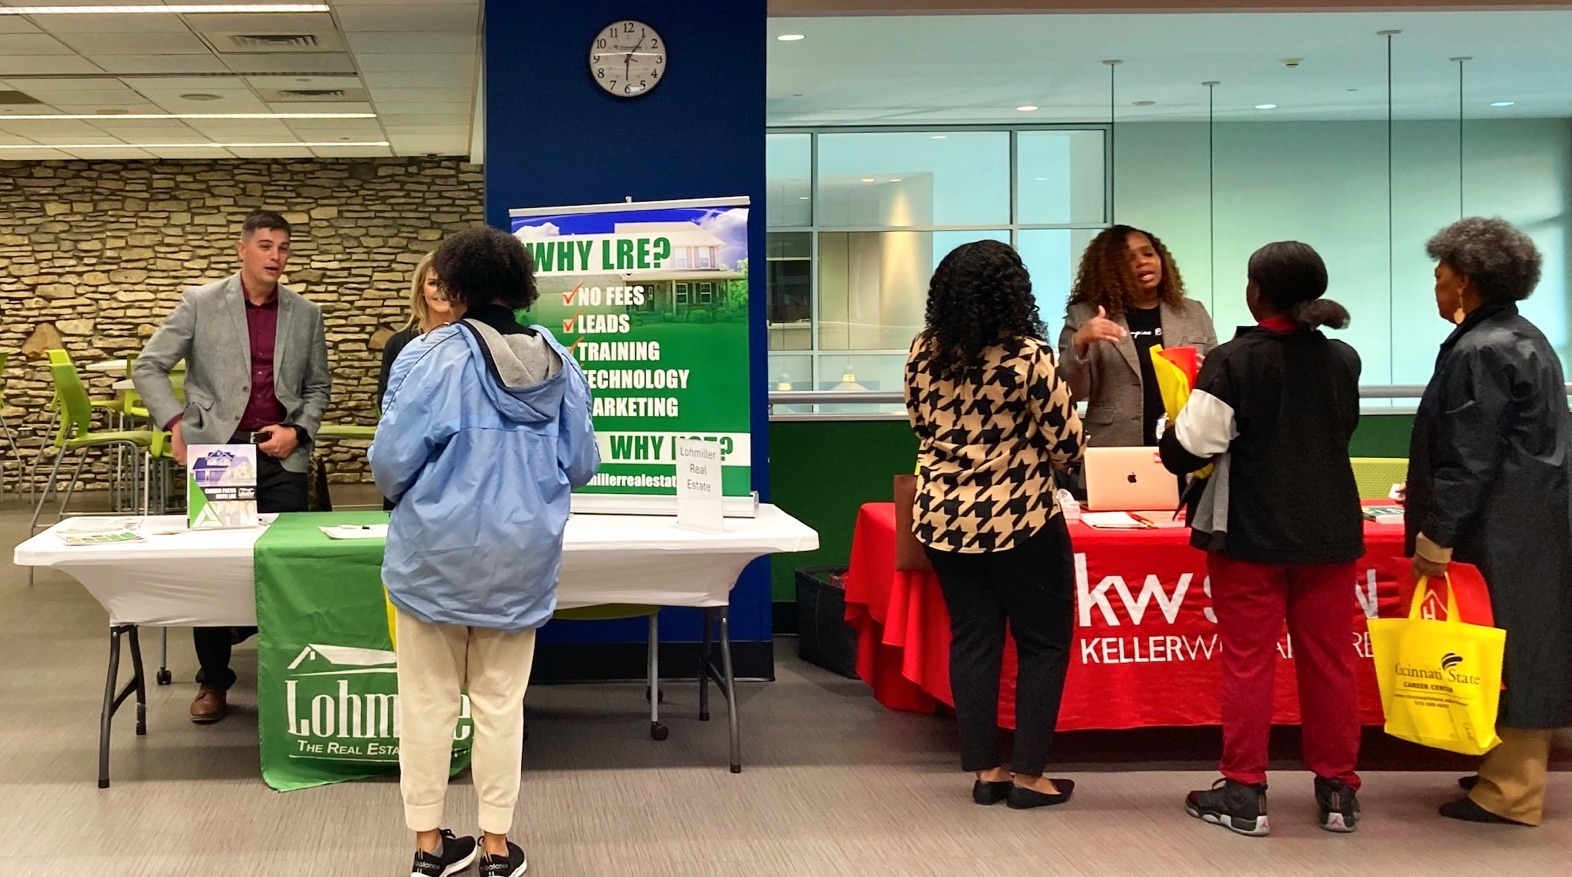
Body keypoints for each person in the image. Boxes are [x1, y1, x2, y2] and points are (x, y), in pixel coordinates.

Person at [371, 227, 599, 877]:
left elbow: (389, 464)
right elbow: (581, 462)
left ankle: (428, 846)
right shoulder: (559, 359)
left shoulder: (429, 356)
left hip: (431, 559)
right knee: (501, 703)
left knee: (426, 702)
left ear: (459, 283)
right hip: (519, 561)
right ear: (520, 286)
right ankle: (497, 847)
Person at [1159, 241, 1363, 837]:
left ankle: (1245, 791)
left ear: (1255, 293)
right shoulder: (1343, 360)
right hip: (1330, 531)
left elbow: (1190, 449)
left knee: (1248, 664)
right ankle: (1338, 792)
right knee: (1331, 664)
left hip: (1249, 534)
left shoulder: (1233, 360)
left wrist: (1168, 433)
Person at [904, 240, 1086, 810]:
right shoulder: (1028, 356)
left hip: (942, 519)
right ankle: (1030, 776)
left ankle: (986, 770)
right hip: (1021, 519)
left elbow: (918, 424)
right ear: (1014, 292)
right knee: (1042, 643)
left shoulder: (922, 351)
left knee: (975, 640)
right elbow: (1066, 443)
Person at [132, 209, 331, 725]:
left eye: (284, 247)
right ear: (242, 249)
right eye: (266, 246)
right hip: (219, 455)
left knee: (289, 566)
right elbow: (149, 366)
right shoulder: (200, 303)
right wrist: (175, 422)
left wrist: (298, 430)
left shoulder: (306, 314)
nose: (276, 257)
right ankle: (214, 681)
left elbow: (317, 388)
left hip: (281, 453)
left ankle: (291, 674)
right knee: (216, 569)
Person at [1405, 217, 1572, 828]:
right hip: (1526, 520)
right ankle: (1503, 769)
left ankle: (1512, 792)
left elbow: (1468, 457)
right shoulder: (1519, 336)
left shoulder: (1484, 349)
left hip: (1500, 527)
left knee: (1507, 651)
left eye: (1441, 273)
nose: (1436, 283)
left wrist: (1437, 534)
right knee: (1513, 645)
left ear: (1467, 280)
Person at [1059, 224, 1218, 447]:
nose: (1143, 262)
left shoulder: (1192, 312)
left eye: (1148, 253)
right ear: (1110, 270)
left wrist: (1206, 374)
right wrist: (1079, 344)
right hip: (1115, 447)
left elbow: (1218, 383)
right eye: (1128, 259)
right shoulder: (1085, 315)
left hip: (1184, 445)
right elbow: (1070, 393)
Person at [376, 250, 450, 511]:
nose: (441, 291)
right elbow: (387, 407)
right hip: (408, 465)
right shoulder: (399, 344)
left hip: (456, 468)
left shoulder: (475, 342)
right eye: (433, 283)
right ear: (421, 288)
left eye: (449, 283)